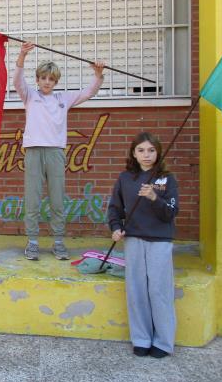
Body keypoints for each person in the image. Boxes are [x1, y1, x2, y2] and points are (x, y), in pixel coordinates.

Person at [13, 42, 105, 260]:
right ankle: (32, 242)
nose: (47, 82)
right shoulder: (30, 96)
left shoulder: (63, 99)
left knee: (57, 200)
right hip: (34, 152)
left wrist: (98, 74)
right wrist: (22, 55)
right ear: (38, 80)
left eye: (51, 79)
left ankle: (58, 242)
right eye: (43, 78)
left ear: (56, 82)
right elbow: (17, 81)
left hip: (55, 153)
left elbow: (89, 92)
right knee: (33, 200)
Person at [107, 132, 179, 358]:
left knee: (159, 290)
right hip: (134, 239)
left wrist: (154, 198)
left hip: (159, 240)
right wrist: (115, 227)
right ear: (134, 153)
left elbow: (171, 212)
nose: (146, 155)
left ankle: (164, 342)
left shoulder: (167, 179)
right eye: (141, 150)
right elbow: (115, 208)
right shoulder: (125, 178)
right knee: (136, 290)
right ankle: (141, 338)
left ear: (158, 152)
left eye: (151, 150)